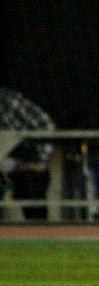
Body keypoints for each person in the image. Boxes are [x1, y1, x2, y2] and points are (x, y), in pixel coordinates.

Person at [0, 87, 56, 220]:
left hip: (23, 162)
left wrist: (40, 162)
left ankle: (39, 231)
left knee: (33, 192)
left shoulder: (8, 101)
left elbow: (47, 126)